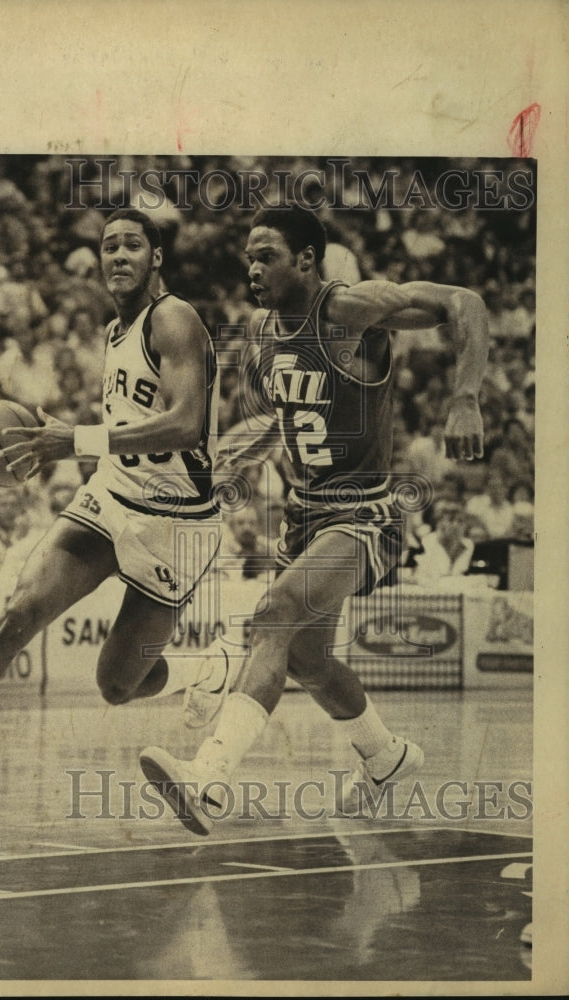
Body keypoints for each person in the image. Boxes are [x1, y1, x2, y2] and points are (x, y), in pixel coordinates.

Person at [0, 208, 222, 816]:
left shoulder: (175, 318)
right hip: (112, 496)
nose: (119, 255)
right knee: (19, 613)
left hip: (179, 524)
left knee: (116, 684)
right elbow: (130, 428)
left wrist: (74, 441)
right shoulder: (113, 331)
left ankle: (203, 672)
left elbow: (185, 424)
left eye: (133, 244)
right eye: (109, 246)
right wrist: (79, 447)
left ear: (157, 258)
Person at [139, 204, 488, 835]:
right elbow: (293, 420)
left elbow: (464, 301)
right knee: (306, 660)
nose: (252, 267)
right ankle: (384, 756)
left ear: (307, 260)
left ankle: (209, 779)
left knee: (274, 612)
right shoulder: (264, 330)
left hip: (363, 513)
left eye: (266, 254)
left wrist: (463, 397)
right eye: (248, 255)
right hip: (304, 515)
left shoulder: (351, 311)